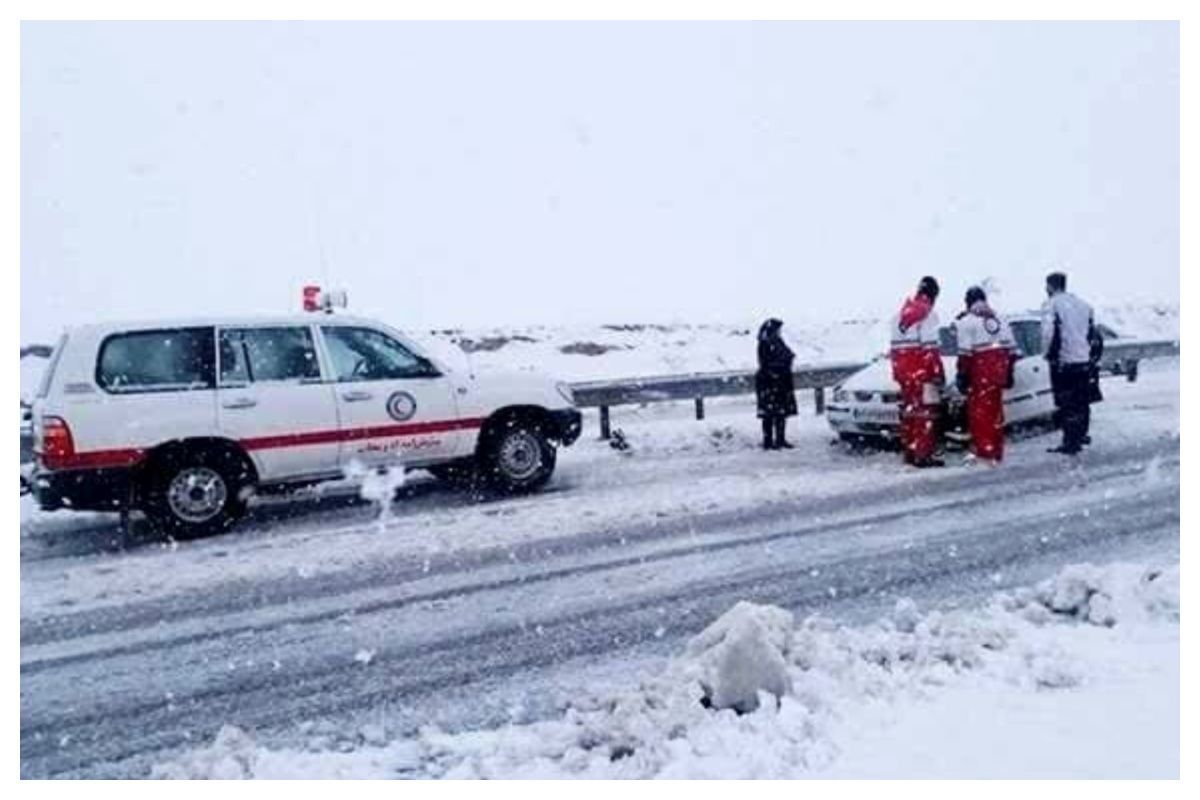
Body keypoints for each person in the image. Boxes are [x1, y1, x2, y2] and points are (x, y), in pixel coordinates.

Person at [953, 286, 1019, 463]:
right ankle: (997, 450)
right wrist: (1008, 372)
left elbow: (965, 354)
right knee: (996, 412)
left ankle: (985, 450)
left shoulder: (967, 322)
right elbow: (1012, 350)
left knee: (980, 414)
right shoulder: (1001, 319)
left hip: (979, 374)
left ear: (968, 302)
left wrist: (962, 375)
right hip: (998, 373)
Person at [1041, 271, 1101, 454]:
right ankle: (1081, 434)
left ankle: (1070, 442)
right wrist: (1090, 356)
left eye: (1047, 286)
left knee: (1066, 403)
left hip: (1064, 361)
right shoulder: (1084, 305)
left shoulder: (1051, 305)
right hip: (1083, 360)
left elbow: (1048, 333)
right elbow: (1093, 334)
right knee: (1081, 401)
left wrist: (1047, 354)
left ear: (1050, 286)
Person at [889, 277, 946, 467]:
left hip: (903, 373)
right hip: (922, 372)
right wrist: (937, 373)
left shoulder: (897, 316)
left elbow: (895, 350)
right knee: (926, 414)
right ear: (934, 295)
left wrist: (898, 373)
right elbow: (930, 349)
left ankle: (910, 452)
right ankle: (923, 454)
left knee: (909, 412)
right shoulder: (928, 315)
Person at [755, 318, 798, 450]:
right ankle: (768, 441)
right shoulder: (764, 343)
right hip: (769, 382)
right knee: (768, 414)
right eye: (778, 330)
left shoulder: (778, 342)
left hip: (781, 382)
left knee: (781, 413)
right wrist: (778, 369)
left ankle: (780, 439)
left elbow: (789, 355)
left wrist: (785, 362)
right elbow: (765, 363)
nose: (779, 332)